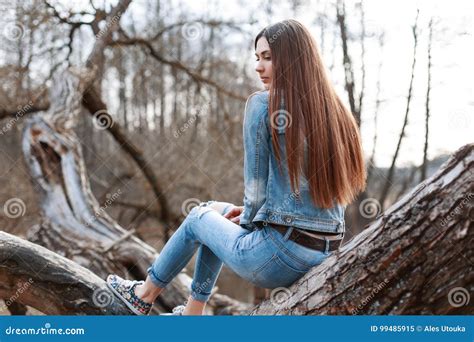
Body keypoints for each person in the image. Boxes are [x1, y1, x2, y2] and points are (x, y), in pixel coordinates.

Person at [106, 19, 366, 316]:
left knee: (197, 218)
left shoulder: (264, 104)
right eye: (257, 58)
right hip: (323, 254)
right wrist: (255, 217)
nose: (258, 67)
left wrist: (248, 224)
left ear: (294, 57)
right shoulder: (336, 113)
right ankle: (192, 313)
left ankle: (143, 294)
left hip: (277, 260)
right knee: (216, 211)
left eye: (268, 57)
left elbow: (255, 192)